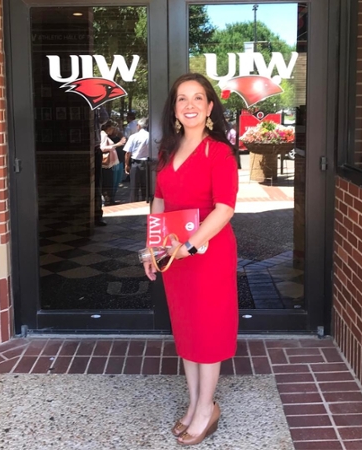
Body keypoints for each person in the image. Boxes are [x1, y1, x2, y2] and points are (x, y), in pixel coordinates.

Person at [143, 73, 239, 446]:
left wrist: (193, 245)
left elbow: (225, 208)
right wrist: (152, 248)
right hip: (174, 256)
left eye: (198, 98)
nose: (190, 105)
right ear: (175, 109)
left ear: (210, 107)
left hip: (207, 254)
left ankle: (206, 408)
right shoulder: (168, 149)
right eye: (183, 99)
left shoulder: (220, 152)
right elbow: (160, 202)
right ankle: (195, 401)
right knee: (187, 330)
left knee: (208, 331)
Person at [124, 117, 150, 202]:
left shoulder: (133, 137)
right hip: (147, 163)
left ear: (138, 126)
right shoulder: (150, 136)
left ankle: (133, 204)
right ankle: (145, 203)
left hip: (135, 163)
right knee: (145, 186)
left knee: (134, 187)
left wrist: (126, 165)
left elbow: (128, 152)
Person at [100, 120, 126, 205]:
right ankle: (108, 200)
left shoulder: (104, 134)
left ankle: (109, 199)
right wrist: (117, 145)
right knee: (108, 182)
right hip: (107, 164)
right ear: (109, 128)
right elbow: (102, 148)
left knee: (110, 181)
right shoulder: (103, 135)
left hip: (111, 163)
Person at [94, 106, 110, 226]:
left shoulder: (97, 108)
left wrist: (99, 106)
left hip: (95, 149)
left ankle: (97, 215)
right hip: (90, 148)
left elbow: (104, 118)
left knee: (97, 184)